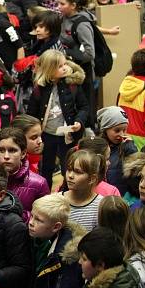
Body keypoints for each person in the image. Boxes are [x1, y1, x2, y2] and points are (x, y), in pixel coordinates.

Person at [26, 50, 88, 187]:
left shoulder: (72, 85)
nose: (65, 67)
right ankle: (44, 193)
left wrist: (79, 121)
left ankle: (67, 192)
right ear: (49, 69)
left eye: (65, 64)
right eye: (60, 66)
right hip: (46, 135)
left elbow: (84, 107)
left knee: (68, 168)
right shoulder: (39, 88)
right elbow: (31, 114)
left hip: (68, 135)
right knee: (45, 169)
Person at [0, 127, 49, 222]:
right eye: (1, 150)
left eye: (12, 150)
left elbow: (44, 219)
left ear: (23, 153)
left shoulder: (39, 184)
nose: (6, 156)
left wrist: (15, 216)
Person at [97, 106, 138, 195]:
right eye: (117, 130)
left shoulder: (127, 147)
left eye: (124, 130)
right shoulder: (98, 147)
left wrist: (130, 149)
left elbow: (136, 170)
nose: (121, 134)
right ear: (105, 129)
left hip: (121, 195)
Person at [60, 150, 104, 231]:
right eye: (69, 170)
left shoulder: (101, 206)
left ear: (92, 179)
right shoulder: (57, 200)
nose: (70, 176)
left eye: (78, 172)